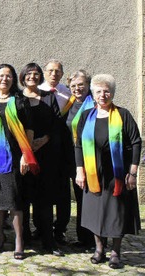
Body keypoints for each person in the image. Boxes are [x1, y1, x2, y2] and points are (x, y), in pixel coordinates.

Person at [75, 74, 141, 269]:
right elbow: (78, 145)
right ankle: (99, 248)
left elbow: (136, 142)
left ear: (112, 93)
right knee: (95, 213)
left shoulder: (123, 114)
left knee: (116, 213)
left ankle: (115, 252)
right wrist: (80, 170)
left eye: (106, 91)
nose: (102, 95)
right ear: (93, 94)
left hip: (117, 174)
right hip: (93, 172)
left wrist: (133, 172)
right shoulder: (87, 116)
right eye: (98, 91)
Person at [0, 64, 38, 260]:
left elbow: (29, 130)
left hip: (15, 157)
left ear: (13, 80)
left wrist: (25, 154)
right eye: (1, 75)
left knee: (15, 200)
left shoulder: (20, 101)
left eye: (9, 76)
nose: (4, 79)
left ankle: (19, 241)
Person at [18, 63, 64, 256]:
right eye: (29, 74)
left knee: (44, 201)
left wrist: (43, 140)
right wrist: (26, 148)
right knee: (23, 199)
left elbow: (57, 124)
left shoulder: (49, 97)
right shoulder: (17, 98)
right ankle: (25, 239)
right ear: (23, 76)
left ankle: (48, 241)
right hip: (21, 157)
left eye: (37, 74)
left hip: (45, 156)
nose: (33, 77)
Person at [37, 59, 72, 244]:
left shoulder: (68, 94)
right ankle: (41, 227)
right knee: (42, 191)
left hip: (62, 149)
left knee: (62, 192)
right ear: (45, 72)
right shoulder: (37, 91)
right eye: (50, 70)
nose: (54, 74)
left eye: (57, 71)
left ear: (62, 74)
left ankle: (60, 228)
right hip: (41, 148)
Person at [64, 70, 96, 249]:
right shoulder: (69, 104)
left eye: (81, 85)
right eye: (73, 86)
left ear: (88, 86)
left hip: (87, 159)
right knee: (79, 198)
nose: (77, 89)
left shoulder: (94, 105)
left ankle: (93, 239)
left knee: (88, 199)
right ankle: (83, 237)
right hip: (69, 158)